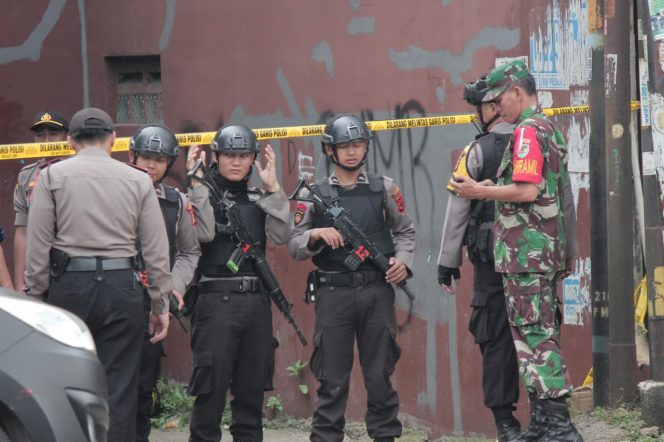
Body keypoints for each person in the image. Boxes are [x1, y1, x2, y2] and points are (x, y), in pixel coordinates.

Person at [24, 107, 172, 442]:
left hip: (70, 288)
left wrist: (36, 297)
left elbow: (38, 245)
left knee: (66, 384)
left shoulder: (51, 177)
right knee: (119, 389)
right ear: (113, 140)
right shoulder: (138, 180)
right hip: (123, 289)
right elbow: (156, 250)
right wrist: (159, 304)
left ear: (72, 141)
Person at [452, 60, 581, 442]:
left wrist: (481, 191)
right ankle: (544, 422)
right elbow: (547, 190)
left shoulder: (526, 132)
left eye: (498, 98)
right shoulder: (548, 128)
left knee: (537, 339)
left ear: (517, 92)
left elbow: (526, 191)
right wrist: (497, 185)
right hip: (541, 251)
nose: (496, 107)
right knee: (531, 336)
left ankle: (558, 426)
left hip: (527, 254)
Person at [288, 114, 416, 442]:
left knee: (379, 377)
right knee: (332, 380)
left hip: (377, 292)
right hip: (334, 294)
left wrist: (403, 262)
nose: (351, 152)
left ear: (366, 148)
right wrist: (316, 232)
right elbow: (295, 243)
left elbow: (405, 231)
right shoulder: (312, 194)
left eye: (357, 145)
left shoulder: (384, 188)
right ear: (330, 151)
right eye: (343, 146)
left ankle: (385, 436)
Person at [185, 124, 289, 442]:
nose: (236, 162)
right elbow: (202, 234)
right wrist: (196, 183)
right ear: (215, 156)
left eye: (243, 155)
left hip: (256, 305)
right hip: (215, 303)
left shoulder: (260, 199)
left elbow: (283, 236)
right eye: (229, 154)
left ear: (253, 159)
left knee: (251, 394)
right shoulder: (201, 194)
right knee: (210, 394)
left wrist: (274, 190)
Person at [437, 75, 520, 441]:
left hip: (491, 265)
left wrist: (447, 264)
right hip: (534, 261)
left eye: (480, 107)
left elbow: (457, 210)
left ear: (492, 107)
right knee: (539, 337)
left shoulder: (477, 151)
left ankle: (506, 424)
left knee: (496, 338)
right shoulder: (536, 141)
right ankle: (551, 418)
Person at [128, 125, 201, 442]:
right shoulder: (113, 191)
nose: (150, 165)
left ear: (169, 163)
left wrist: (175, 286)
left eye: (159, 159)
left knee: (144, 389)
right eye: (145, 157)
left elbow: (190, 250)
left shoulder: (177, 202)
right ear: (132, 155)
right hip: (112, 299)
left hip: (153, 305)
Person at [13, 111, 69, 291]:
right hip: (37, 271)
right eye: (40, 135)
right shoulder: (26, 175)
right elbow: (22, 231)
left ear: (67, 137)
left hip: (73, 269)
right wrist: (19, 284)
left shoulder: (78, 171)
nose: (46, 141)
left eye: (53, 134)